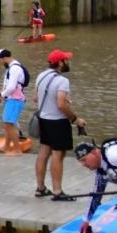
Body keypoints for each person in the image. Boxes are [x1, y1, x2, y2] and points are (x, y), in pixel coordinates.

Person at [32, 49, 87, 199]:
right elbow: (61, 105)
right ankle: (57, 191)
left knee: (43, 153)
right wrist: (75, 119)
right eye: (66, 60)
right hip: (58, 122)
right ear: (60, 63)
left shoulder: (41, 76)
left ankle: (40, 188)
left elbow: (36, 98)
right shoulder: (62, 80)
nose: (68, 62)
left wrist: (57, 98)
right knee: (58, 155)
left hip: (44, 119)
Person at [0, 48, 29, 154]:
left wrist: (2, 95)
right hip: (12, 99)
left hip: (15, 100)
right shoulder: (11, 68)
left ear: (4, 58)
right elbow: (8, 85)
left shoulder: (14, 69)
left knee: (8, 125)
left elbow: (12, 87)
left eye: (0, 59)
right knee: (8, 124)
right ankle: (6, 147)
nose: (0, 62)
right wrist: (2, 94)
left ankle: (17, 150)